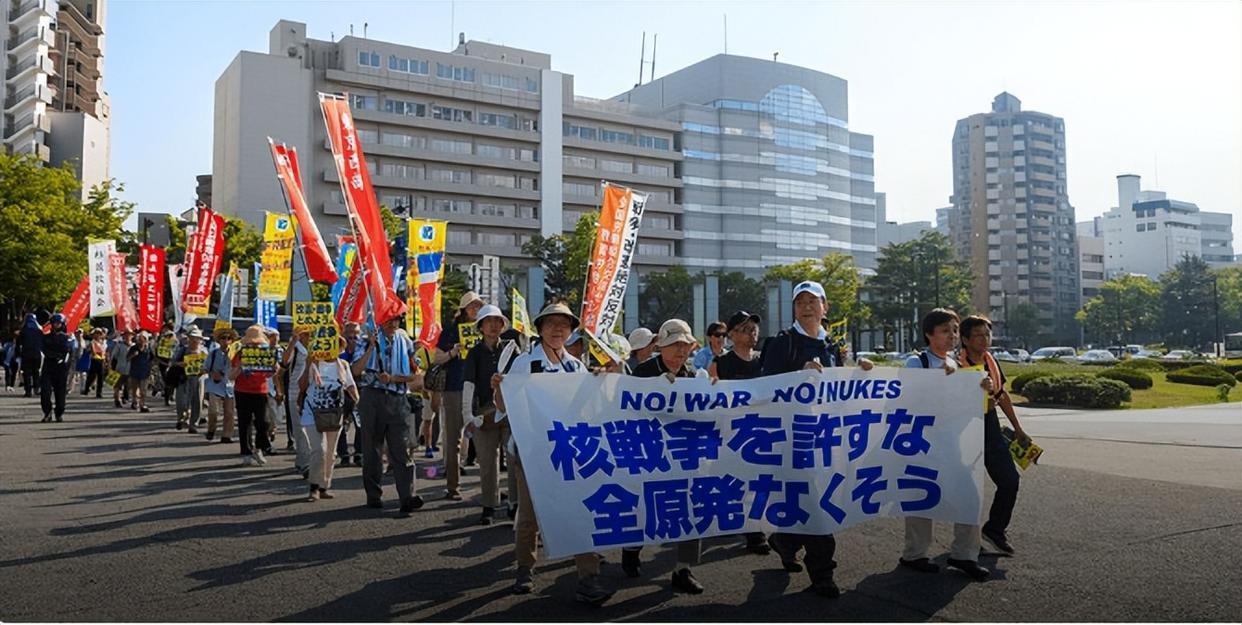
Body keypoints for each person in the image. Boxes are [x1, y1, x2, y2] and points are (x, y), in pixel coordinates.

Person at [492, 301, 614, 606]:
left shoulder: (575, 367)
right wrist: (497, 388)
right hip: (532, 452)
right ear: (541, 329)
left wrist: (601, 381)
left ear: (571, 331)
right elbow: (504, 407)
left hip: (567, 452)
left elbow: (587, 407)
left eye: (564, 324)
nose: (558, 329)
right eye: (551, 323)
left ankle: (588, 577)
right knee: (530, 515)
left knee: (578, 510)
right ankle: (525, 569)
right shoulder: (525, 364)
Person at [760, 280, 874, 599]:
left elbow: (839, 392)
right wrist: (800, 375)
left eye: (814, 301)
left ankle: (785, 539)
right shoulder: (782, 343)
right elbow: (765, 388)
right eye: (800, 302)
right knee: (818, 506)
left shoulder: (832, 346)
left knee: (810, 502)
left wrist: (860, 375)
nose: (807, 306)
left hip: (827, 439)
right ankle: (823, 573)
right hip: (793, 439)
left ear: (826, 307)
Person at [900, 308, 993, 581]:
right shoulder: (916, 363)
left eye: (954, 330)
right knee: (920, 498)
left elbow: (969, 403)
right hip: (921, 443)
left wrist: (981, 387)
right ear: (929, 334)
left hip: (954, 442)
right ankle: (914, 554)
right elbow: (906, 397)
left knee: (969, 494)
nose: (952, 336)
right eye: (945, 330)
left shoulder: (962, 363)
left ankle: (964, 554)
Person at [621, 319, 707, 594]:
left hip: (683, 453)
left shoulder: (693, 376)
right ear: (661, 347)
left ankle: (683, 568)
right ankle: (632, 547)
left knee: (691, 507)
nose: (680, 351)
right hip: (649, 452)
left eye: (685, 345)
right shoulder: (642, 373)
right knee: (645, 506)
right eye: (674, 345)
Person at [958, 315, 1028, 556]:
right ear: (965, 339)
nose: (984, 339)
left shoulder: (991, 360)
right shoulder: (954, 365)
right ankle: (965, 544)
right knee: (968, 489)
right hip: (962, 430)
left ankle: (995, 530)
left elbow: (1001, 395)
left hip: (989, 425)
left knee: (1010, 480)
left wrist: (1017, 428)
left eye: (987, 334)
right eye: (978, 334)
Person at [708, 309, 771, 555]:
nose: (752, 332)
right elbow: (710, 399)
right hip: (729, 435)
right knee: (731, 482)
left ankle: (754, 531)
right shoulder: (721, 364)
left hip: (760, 435)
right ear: (732, 335)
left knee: (756, 483)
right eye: (745, 329)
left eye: (754, 328)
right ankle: (743, 526)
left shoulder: (764, 362)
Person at [352, 310, 423, 516]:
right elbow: (356, 370)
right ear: (380, 321)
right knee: (372, 448)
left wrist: (392, 378)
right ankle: (373, 495)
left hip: (397, 398)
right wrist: (371, 347)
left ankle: (406, 497)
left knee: (401, 448)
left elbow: (414, 375)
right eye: (388, 319)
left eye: (396, 319)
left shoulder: (405, 341)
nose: (393, 323)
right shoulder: (366, 340)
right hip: (372, 397)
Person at [461, 304, 514, 526]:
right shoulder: (474, 353)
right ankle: (489, 505)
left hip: (511, 412)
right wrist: (467, 418)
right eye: (489, 321)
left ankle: (515, 503)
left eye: (498, 321)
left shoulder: (512, 350)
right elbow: (469, 385)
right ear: (480, 326)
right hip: (484, 412)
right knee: (487, 461)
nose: (494, 325)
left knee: (514, 460)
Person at [433, 291, 484, 501]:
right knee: (453, 439)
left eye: (479, 306)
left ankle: (487, 490)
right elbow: (437, 358)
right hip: (454, 388)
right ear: (463, 309)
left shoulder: (485, 329)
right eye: (472, 306)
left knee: (484, 439)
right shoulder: (451, 331)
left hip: (479, 390)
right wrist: (453, 352)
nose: (476, 310)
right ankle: (452, 486)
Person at [298, 344, 359, 502]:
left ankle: (324, 485)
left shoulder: (343, 365)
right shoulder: (314, 362)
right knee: (319, 450)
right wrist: (307, 365)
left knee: (331, 453)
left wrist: (358, 403)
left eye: (336, 344)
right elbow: (302, 386)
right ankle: (314, 487)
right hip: (312, 413)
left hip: (334, 414)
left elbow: (350, 386)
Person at [230, 325, 278, 466]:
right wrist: (240, 367)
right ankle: (246, 452)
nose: (255, 345)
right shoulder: (239, 354)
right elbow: (230, 376)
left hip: (261, 391)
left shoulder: (266, 353)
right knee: (244, 423)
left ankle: (258, 448)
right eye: (252, 343)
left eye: (257, 343)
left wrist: (274, 369)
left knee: (263, 423)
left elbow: (270, 373)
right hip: (242, 391)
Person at [335, 322, 366, 467]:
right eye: (350, 334)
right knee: (340, 423)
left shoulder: (363, 347)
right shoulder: (338, 348)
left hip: (360, 388)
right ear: (344, 333)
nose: (353, 337)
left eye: (356, 334)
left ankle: (359, 453)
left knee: (361, 423)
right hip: (341, 390)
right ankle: (344, 454)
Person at [284, 326, 312, 477]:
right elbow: (284, 362)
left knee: (311, 428)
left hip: (313, 391)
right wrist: (292, 342)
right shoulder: (296, 347)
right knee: (300, 429)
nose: (308, 336)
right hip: (295, 392)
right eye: (306, 333)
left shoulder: (319, 346)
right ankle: (305, 463)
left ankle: (303, 461)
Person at [204, 328, 237, 444]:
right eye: (223, 338)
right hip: (215, 385)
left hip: (229, 385)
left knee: (229, 412)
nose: (226, 341)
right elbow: (206, 368)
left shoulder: (235, 354)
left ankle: (226, 435)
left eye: (229, 338)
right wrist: (213, 374)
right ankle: (211, 429)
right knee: (213, 411)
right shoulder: (213, 354)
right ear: (219, 340)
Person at [172, 328, 208, 433]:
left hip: (198, 378)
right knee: (181, 401)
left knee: (197, 401)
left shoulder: (204, 352)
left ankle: (193, 424)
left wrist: (204, 370)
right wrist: (181, 364)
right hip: (184, 378)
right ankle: (182, 418)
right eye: (192, 338)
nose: (194, 340)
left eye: (197, 338)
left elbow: (208, 365)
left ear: (200, 339)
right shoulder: (182, 350)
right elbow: (173, 362)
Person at [39, 313, 73, 422]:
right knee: (45, 391)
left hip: (61, 367)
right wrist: (53, 355)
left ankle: (59, 413)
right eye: (54, 323)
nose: (56, 325)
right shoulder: (46, 338)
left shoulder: (67, 338)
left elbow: (68, 353)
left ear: (62, 324)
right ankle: (47, 413)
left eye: (59, 323)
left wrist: (62, 360)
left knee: (60, 392)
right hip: (48, 366)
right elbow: (43, 350)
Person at [126, 332, 155, 413]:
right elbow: (127, 358)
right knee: (134, 389)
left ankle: (142, 404)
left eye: (143, 339)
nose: (141, 341)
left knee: (143, 390)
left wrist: (151, 365)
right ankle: (134, 401)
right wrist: (133, 355)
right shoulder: (133, 348)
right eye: (139, 339)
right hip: (135, 371)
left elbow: (153, 359)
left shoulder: (148, 349)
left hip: (145, 372)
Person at [18, 313, 44, 397]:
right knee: (36, 372)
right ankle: (36, 388)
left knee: (27, 373)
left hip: (26, 354)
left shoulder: (23, 330)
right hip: (37, 354)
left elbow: (19, 343)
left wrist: (17, 354)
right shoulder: (39, 330)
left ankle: (28, 391)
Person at [108, 330, 133, 407]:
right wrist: (111, 366)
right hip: (119, 368)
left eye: (129, 335)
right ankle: (117, 400)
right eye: (126, 335)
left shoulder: (134, 346)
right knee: (117, 386)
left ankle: (125, 397)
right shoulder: (119, 346)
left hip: (130, 369)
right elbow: (114, 357)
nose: (128, 336)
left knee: (128, 385)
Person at [81, 328, 107, 397]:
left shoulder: (103, 342)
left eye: (99, 334)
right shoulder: (92, 342)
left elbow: (105, 352)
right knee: (91, 376)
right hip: (94, 360)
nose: (98, 335)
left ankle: (99, 392)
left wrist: (105, 358)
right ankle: (86, 389)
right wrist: (99, 353)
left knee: (100, 377)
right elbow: (93, 351)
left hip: (101, 360)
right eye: (96, 333)